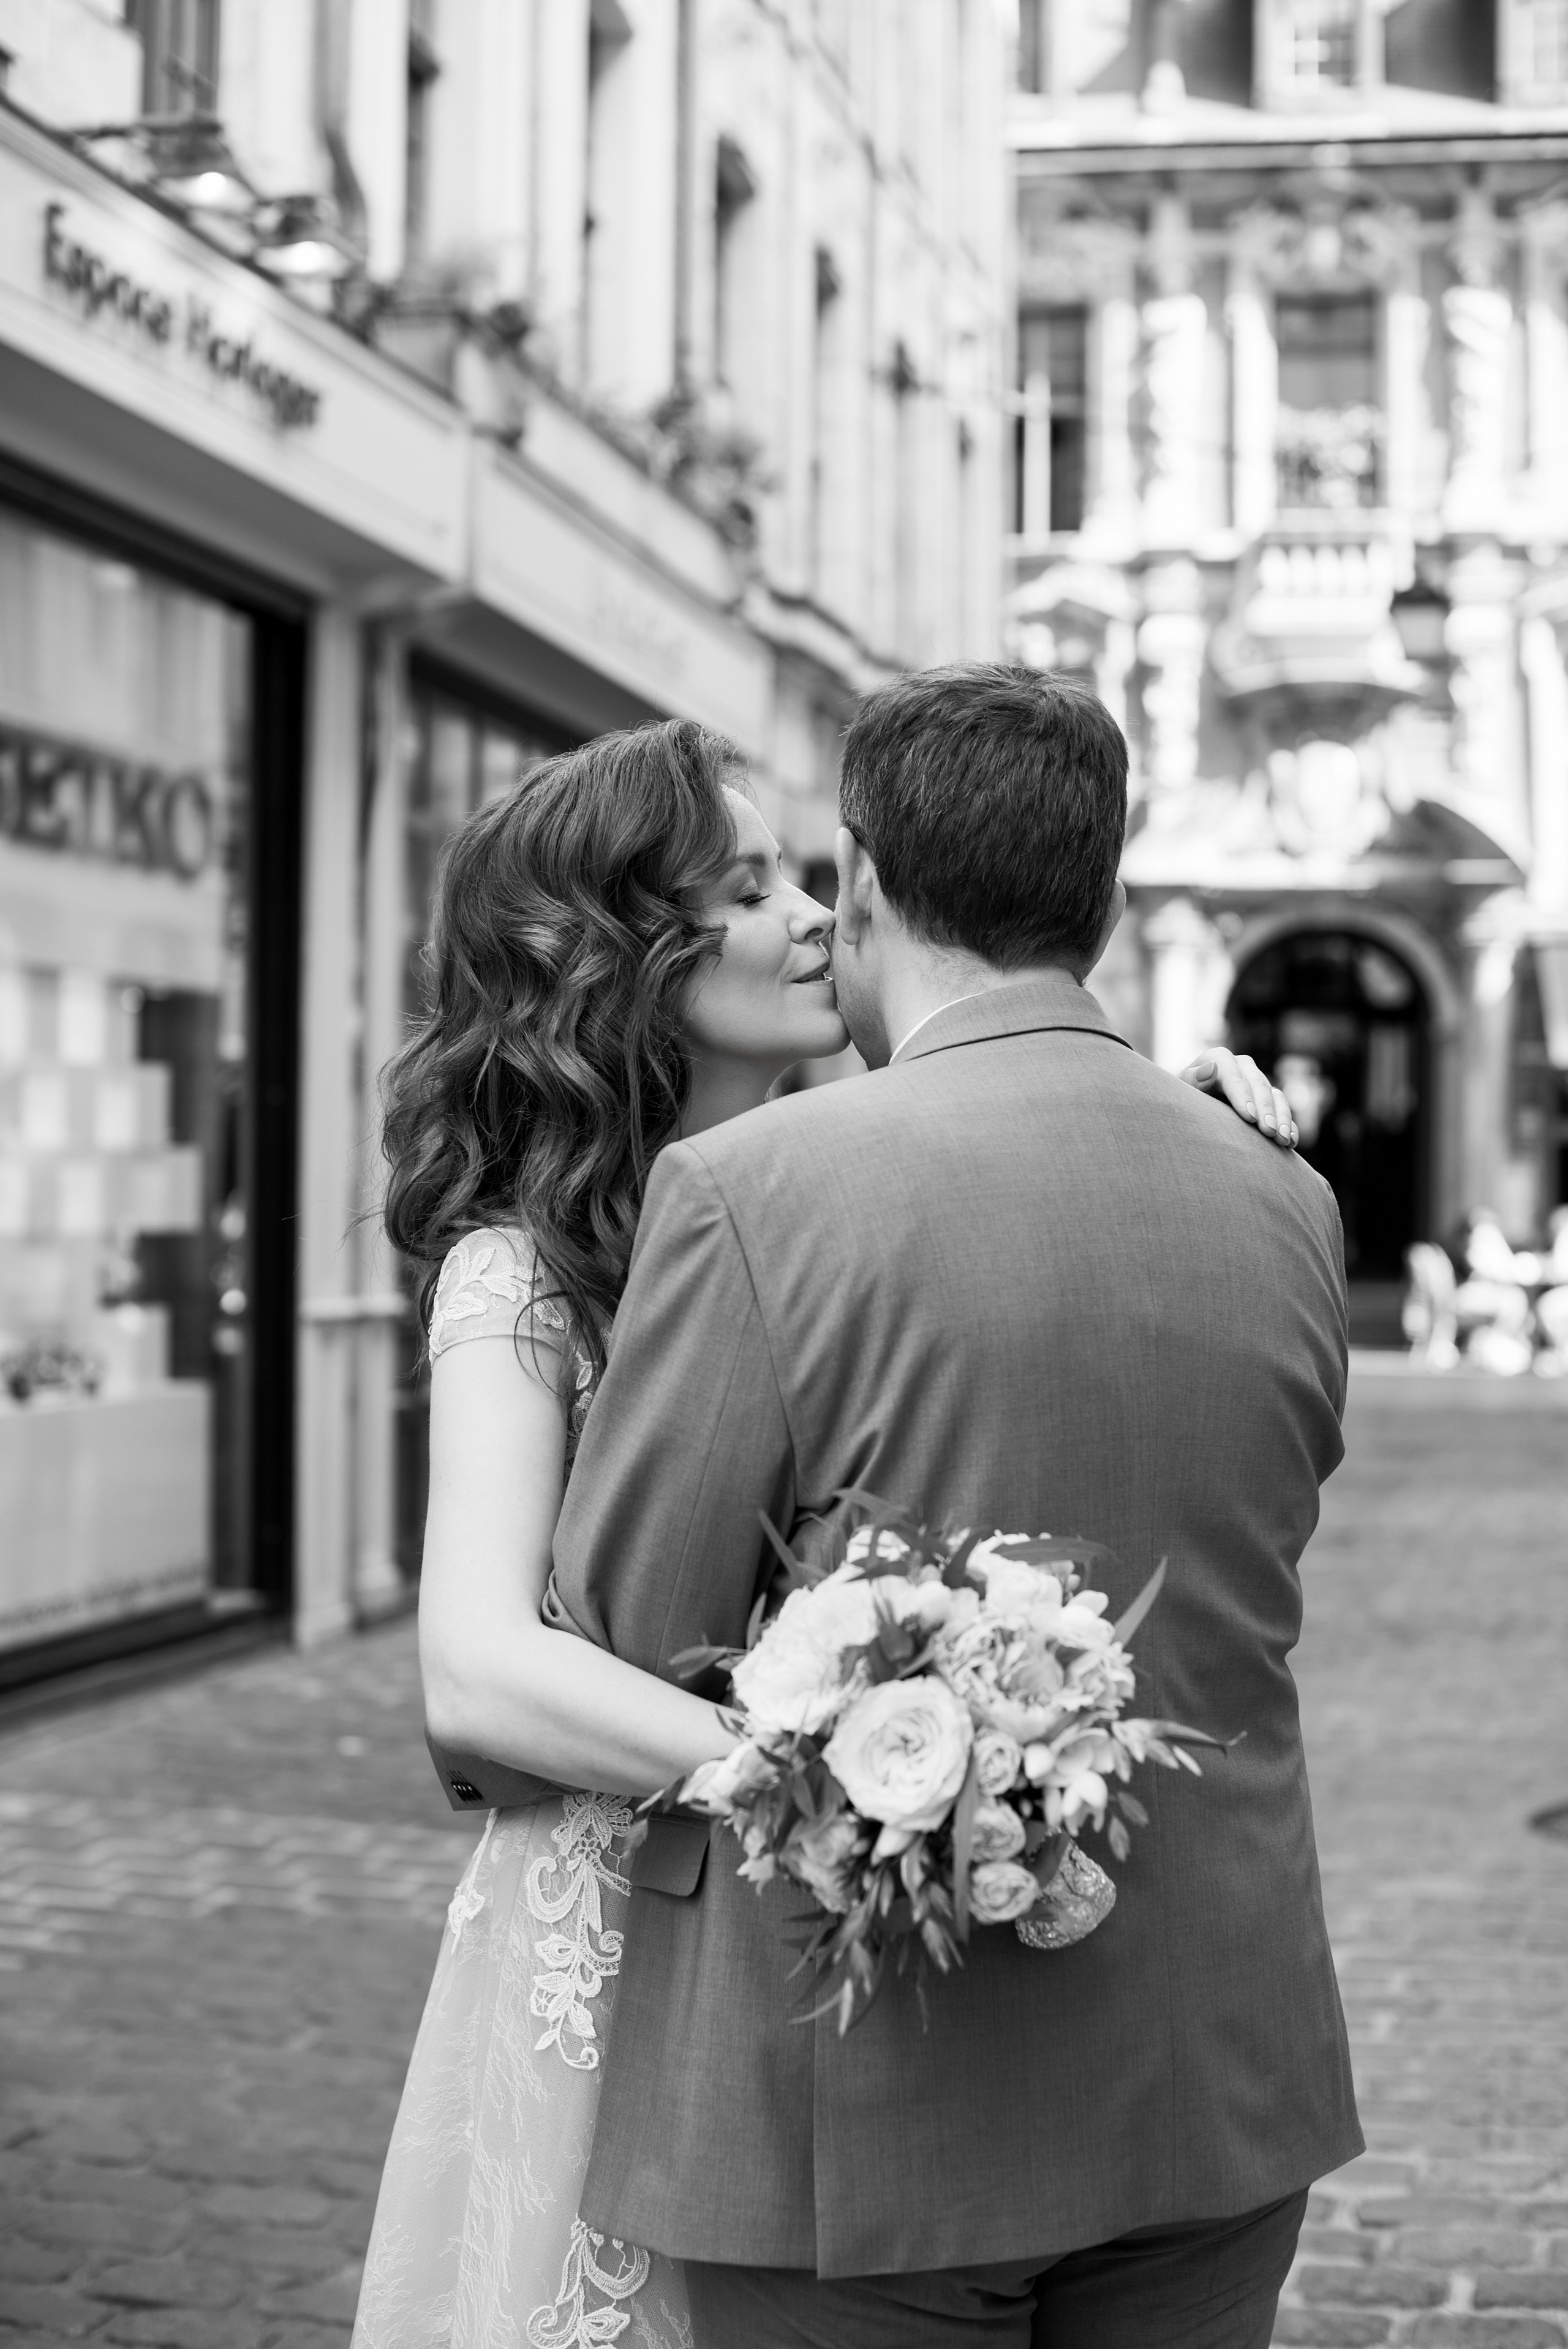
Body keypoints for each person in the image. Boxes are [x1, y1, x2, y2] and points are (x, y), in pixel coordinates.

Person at [350, 709, 1300, 2349]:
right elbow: (479, 1666)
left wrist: (1165, 1104)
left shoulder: (812, 1172)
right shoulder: (526, 1264)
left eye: (807, 877)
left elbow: (1002, 1213)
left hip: (857, 1937)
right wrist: (838, 1752)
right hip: (640, 1912)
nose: (815, 915)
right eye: (746, 890)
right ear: (621, 953)